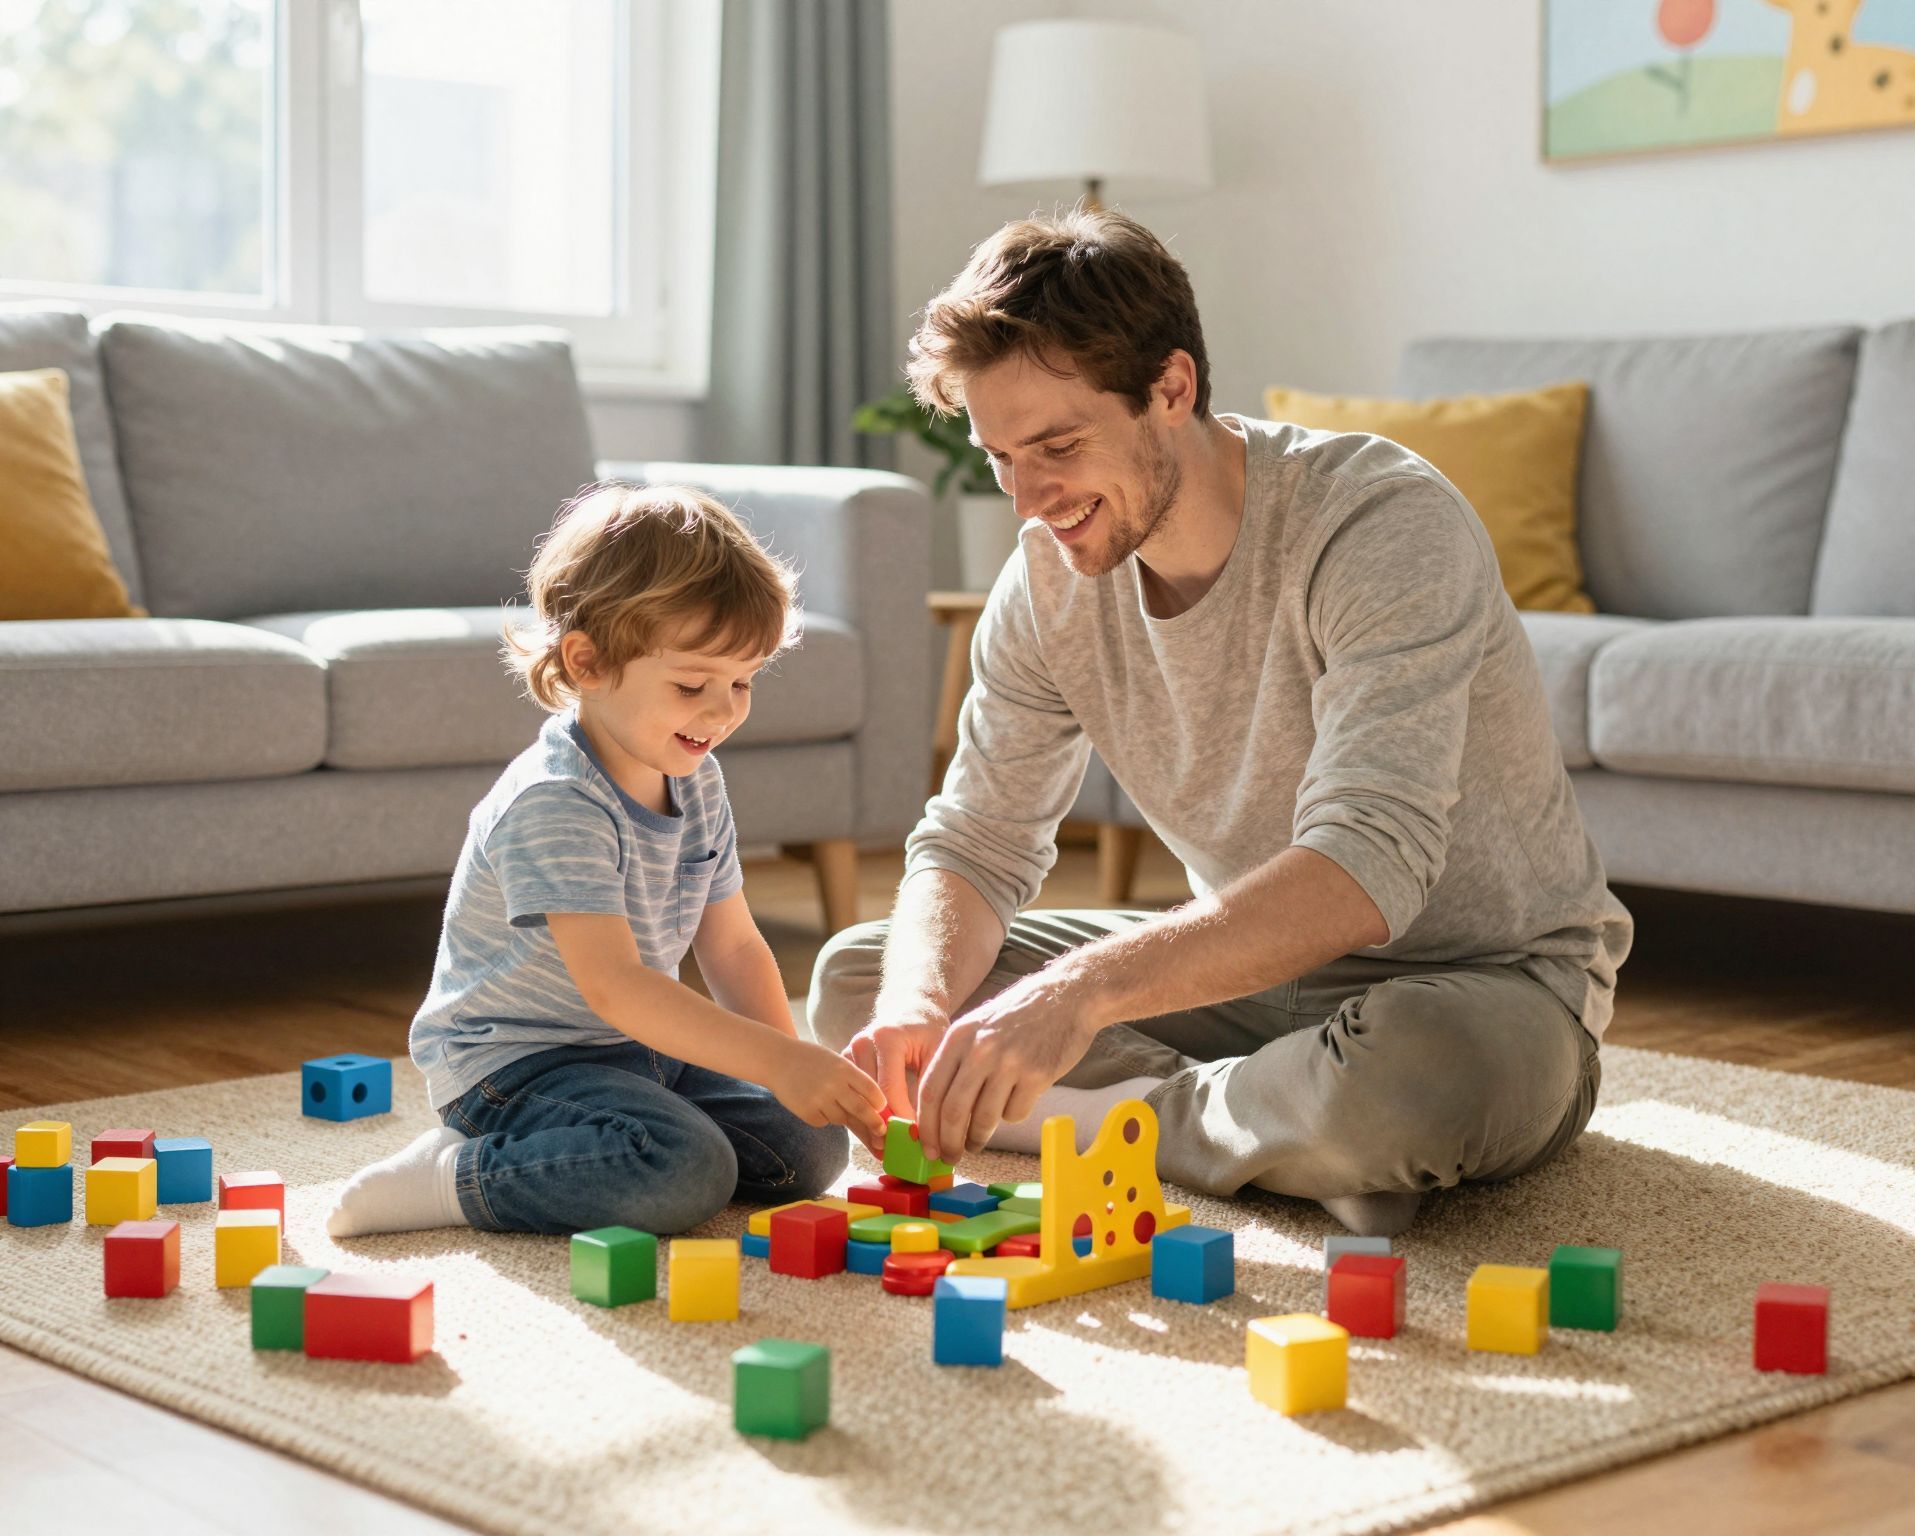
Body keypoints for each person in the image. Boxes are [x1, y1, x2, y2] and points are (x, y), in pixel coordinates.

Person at [810, 209, 1633, 1236]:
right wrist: (918, 1011)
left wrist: (1072, 1001)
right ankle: (1274, 1128)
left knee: (1400, 1081)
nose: (1026, 499)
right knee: (863, 985)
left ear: (1171, 389)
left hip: (1478, 985)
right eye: (998, 457)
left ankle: (1162, 1118)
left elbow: (1367, 865)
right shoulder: (1048, 581)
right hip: (1244, 976)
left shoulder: (1378, 524)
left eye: (1057, 446)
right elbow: (975, 840)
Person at [328, 484, 886, 1238]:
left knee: (811, 1146)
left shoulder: (697, 778)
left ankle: (609, 1141)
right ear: (587, 663)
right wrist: (779, 1065)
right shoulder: (557, 800)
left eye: (742, 683)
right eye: (693, 684)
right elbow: (618, 988)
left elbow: (731, 943)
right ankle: (454, 1175)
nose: (723, 713)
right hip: (517, 1068)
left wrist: (794, 1065)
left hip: (637, 1051)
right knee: (686, 1170)